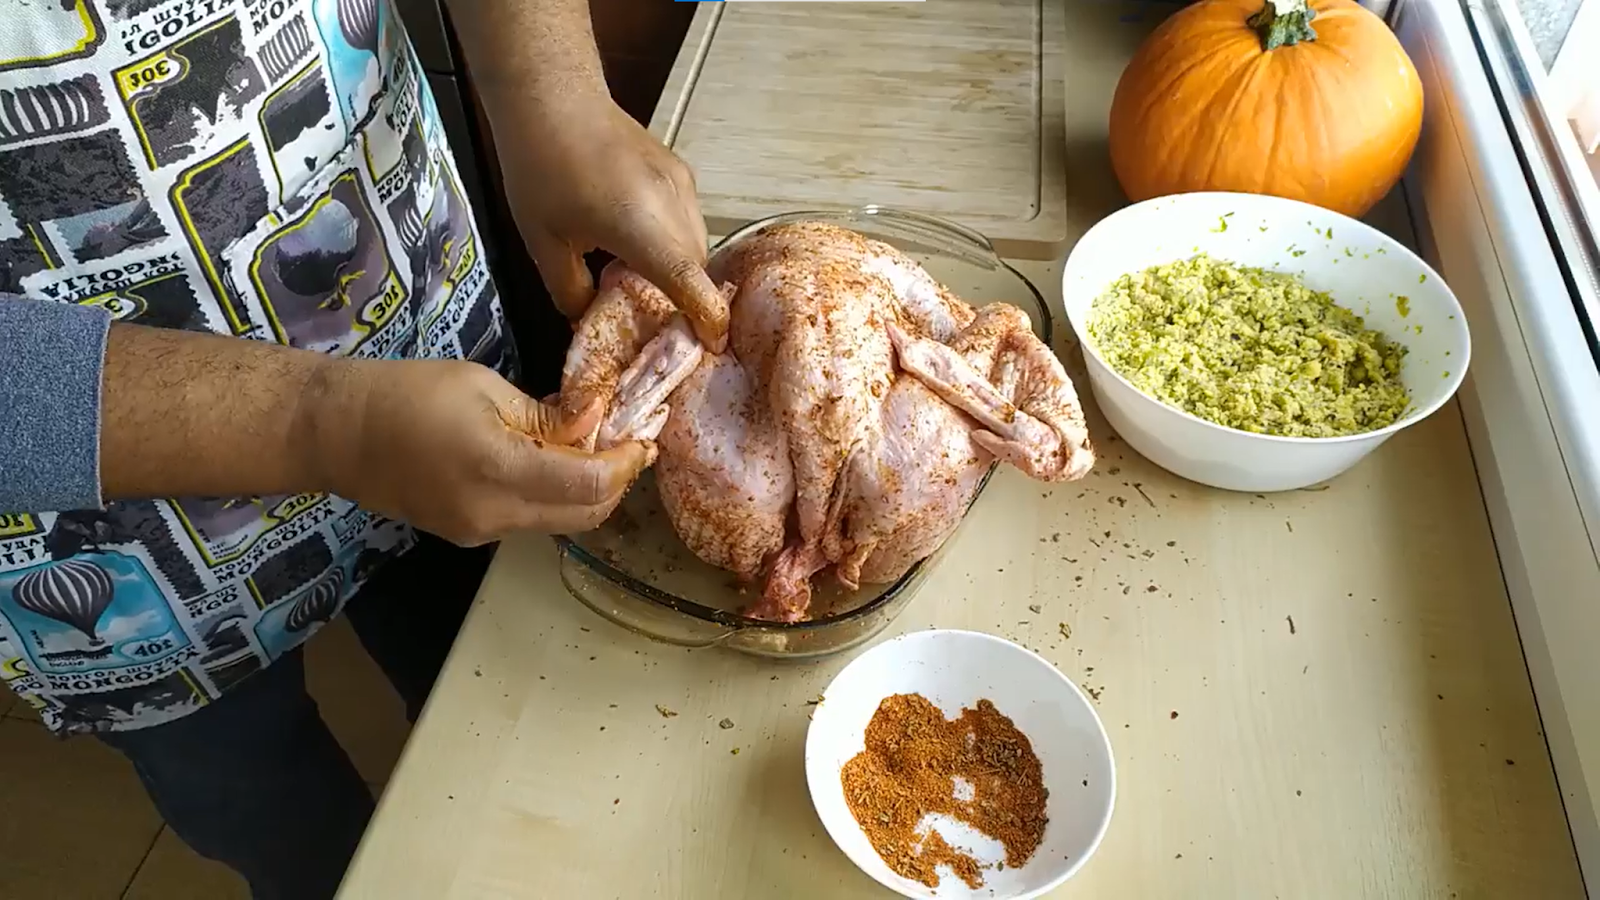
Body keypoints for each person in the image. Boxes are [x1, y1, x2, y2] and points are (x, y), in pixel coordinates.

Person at [0, 1, 728, 897]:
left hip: (404, 304)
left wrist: (553, 87)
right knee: (266, 805)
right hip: (107, 538)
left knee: (484, 703)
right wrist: (319, 422)